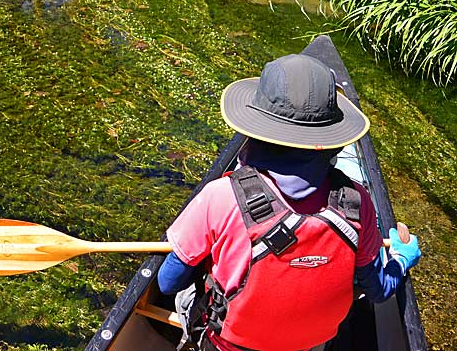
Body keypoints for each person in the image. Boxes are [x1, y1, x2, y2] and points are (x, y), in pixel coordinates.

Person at [157, 53, 421, 351]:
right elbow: (377, 288)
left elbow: (168, 283)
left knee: (185, 295)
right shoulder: (357, 202)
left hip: (229, 344)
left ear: (256, 127)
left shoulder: (220, 196)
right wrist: (401, 260)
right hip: (312, 345)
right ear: (330, 140)